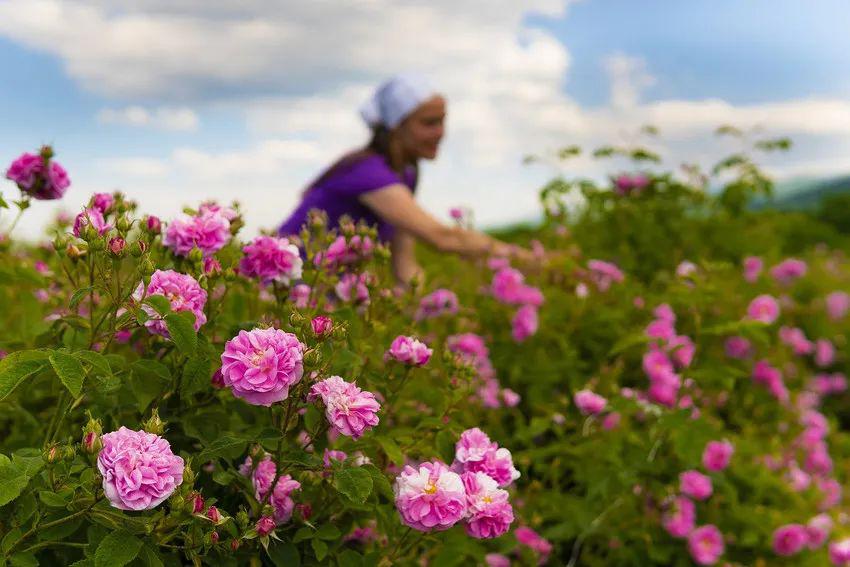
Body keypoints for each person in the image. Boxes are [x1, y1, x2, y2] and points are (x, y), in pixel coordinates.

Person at [278, 72, 535, 284]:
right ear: (396, 127)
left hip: (327, 289)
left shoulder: (404, 175)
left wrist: (426, 315)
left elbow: (404, 264)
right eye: (429, 123)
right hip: (287, 284)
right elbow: (444, 238)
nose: (441, 132)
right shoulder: (369, 172)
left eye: (442, 121)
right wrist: (533, 262)